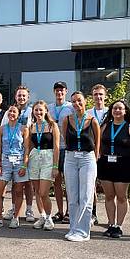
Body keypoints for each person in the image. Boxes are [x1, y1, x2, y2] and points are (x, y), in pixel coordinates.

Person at [98, 100, 130, 238]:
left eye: (120, 108)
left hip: (123, 165)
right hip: (105, 164)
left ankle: (119, 225)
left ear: (125, 111)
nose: (117, 111)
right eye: (114, 108)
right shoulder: (105, 126)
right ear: (111, 111)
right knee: (109, 196)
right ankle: (111, 224)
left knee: (122, 197)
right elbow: (98, 145)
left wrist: (127, 162)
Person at [62, 91, 101, 242]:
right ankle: (73, 228)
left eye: (79, 101)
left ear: (85, 102)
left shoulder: (92, 121)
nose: (77, 104)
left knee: (85, 195)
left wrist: (94, 160)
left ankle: (84, 231)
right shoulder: (67, 119)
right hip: (71, 158)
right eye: (73, 102)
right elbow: (66, 139)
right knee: (72, 196)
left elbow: (96, 143)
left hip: (87, 159)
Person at [0, 104, 29, 230]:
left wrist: (24, 165)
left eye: (14, 112)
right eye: (10, 111)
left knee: (17, 191)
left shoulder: (24, 129)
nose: (11, 114)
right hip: (5, 161)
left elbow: (27, 149)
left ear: (18, 115)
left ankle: (15, 218)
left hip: (18, 161)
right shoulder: (1, 129)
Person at [0, 86, 36, 223]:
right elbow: (2, 130)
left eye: (24, 96)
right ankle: (14, 208)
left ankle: (29, 209)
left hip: (28, 150)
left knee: (27, 183)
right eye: (19, 95)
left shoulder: (32, 111)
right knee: (16, 183)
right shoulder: (10, 112)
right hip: (12, 154)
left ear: (28, 97)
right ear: (15, 97)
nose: (21, 98)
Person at [26, 100, 60, 231]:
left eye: (41, 110)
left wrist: (55, 166)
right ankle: (42, 216)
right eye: (36, 110)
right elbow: (29, 146)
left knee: (44, 192)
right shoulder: (32, 127)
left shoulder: (52, 125)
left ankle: (49, 218)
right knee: (37, 192)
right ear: (33, 112)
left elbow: (56, 146)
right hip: (35, 158)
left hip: (48, 158)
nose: (38, 112)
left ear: (46, 111)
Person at [48, 81, 73, 224]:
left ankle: (70, 211)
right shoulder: (49, 108)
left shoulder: (71, 107)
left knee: (68, 182)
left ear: (66, 91)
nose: (59, 93)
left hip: (67, 148)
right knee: (56, 181)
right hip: (53, 148)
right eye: (57, 90)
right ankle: (60, 211)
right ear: (54, 92)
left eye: (62, 90)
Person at [86, 84, 109, 226]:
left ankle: (111, 217)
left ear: (105, 95)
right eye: (95, 94)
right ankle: (93, 214)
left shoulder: (111, 112)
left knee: (109, 186)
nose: (98, 97)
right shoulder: (88, 113)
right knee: (91, 185)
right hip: (92, 153)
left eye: (100, 94)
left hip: (108, 154)